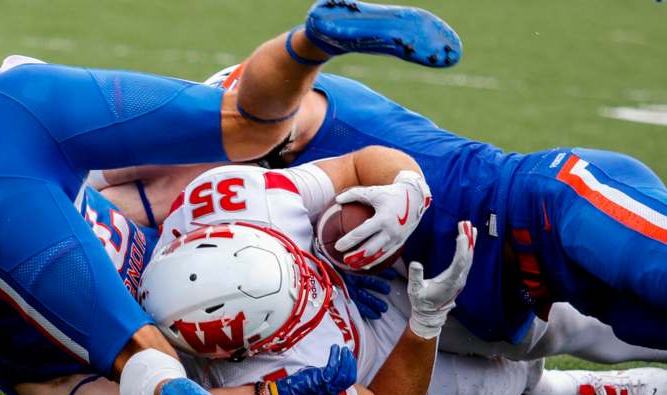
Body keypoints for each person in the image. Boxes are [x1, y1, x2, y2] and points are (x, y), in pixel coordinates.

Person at [0, 1, 462, 395]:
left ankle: (313, 42)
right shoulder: (157, 257)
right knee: (248, 124)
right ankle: (306, 44)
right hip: (16, 109)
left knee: (149, 360)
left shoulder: (53, 366)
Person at [95, 63, 667, 359]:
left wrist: (402, 195)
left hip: (546, 204)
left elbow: (275, 108)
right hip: (503, 298)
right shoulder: (213, 209)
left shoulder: (294, 118)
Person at [135, 154, 667, 395]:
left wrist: (402, 193)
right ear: (240, 351)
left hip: (380, 284)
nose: (308, 288)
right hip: (373, 365)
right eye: (292, 307)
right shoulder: (256, 383)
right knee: (504, 387)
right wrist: (426, 323)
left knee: (541, 329)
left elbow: (360, 164)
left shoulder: (235, 201)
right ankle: (582, 387)